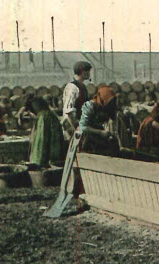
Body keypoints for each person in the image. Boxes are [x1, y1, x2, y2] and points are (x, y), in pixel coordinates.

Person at [45, 86, 119, 218]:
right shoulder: (89, 106)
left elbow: (112, 118)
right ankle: (77, 200)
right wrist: (101, 133)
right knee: (79, 172)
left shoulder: (106, 106)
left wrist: (111, 133)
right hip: (85, 139)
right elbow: (83, 127)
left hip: (98, 139)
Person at [28, 97, 67, 167]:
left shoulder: (43, 117)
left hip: (44, 160)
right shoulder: (48, 116)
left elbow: (41, 141)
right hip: (52, 159)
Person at [61, 61, 92, 137]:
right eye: (87, 71)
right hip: (71, 127)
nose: (89, 74)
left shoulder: (83, 87)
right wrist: (76, 128)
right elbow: (69, 111)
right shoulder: (72, 88)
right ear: (82, 72)